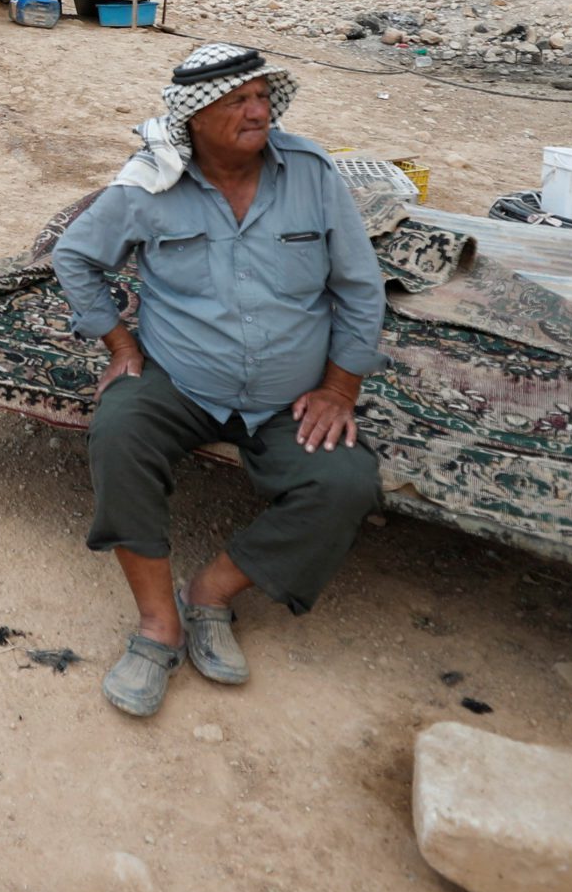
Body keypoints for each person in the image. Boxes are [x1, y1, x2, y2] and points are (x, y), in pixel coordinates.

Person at [50, 42, 385, 718]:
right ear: (195, 118)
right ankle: (158, 625)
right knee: (118, 428)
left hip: (289, 395)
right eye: (238, 100)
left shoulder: (312, 175)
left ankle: (210, 593)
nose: (258, 111)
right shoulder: (149, 184)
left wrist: (340, 388)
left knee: (347, 482)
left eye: (263, 96)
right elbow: (74, 255)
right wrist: (118, 341)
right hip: (185, 380)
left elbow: (360, 287)